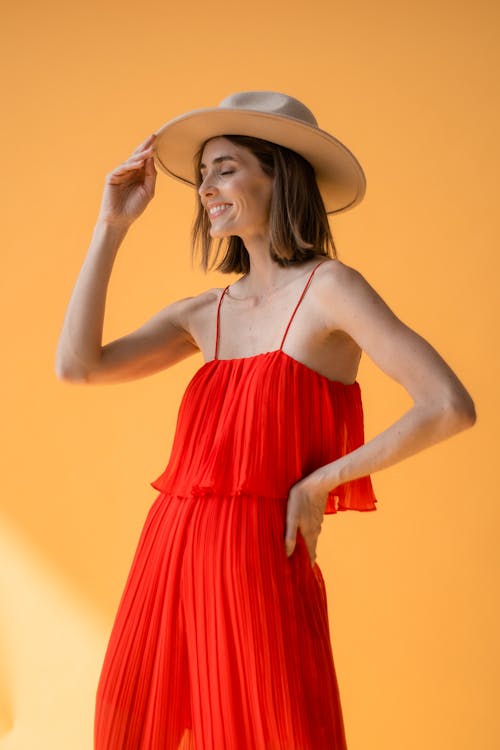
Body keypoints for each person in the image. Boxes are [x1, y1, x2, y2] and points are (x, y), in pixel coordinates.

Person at [55, 91, 476, 750]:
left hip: (259, 554)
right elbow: (78, 367)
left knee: (271, 723)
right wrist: (111, 227)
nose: (205, 188)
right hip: (168, 550)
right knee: (131, 717)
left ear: (280, 175)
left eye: (224, 167)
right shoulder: (204, 312)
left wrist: (319, 482)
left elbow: (448, 405)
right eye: (201, 175)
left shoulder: (331, 289)